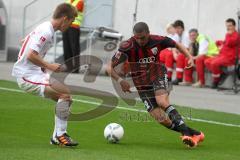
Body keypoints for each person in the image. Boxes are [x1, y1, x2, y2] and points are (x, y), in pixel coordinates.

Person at [107, 22, 204, 147]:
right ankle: (194, 134)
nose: (140, 41)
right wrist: (121, 81)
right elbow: (109, 68)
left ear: (148, 33)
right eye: (137, 38)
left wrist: (189, 56)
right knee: (161, 119)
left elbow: (177, 45)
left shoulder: (158, 40)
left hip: (157, 74)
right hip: (142, 84)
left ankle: (185, 133)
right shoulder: (127, 46)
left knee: (162, 101)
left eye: (142, 38)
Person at [12, 3, 79, 147]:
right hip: (27, 76)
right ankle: (60, 135)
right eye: (72, 21)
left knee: (66, 98)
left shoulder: (46, 28)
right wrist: (50, 66)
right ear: (65, 19)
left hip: (34, 73)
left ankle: (58, 136)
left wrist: (29, 42)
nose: (71, 24)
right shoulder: (46, 31)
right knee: (65, 94)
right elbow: (30, 55)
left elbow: (24, 41)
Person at [205, 18, 239, 88]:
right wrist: (219, 42)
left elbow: (230, 43)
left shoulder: (236, 35)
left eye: (229, 26)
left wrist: (228, 35)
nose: (228, 28)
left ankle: (216, 81)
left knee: (214, 63)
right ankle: (221, 73)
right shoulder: (229, 34)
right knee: (207, 61)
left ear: (234, 26)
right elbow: (226, 43)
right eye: (227, 26)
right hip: (222, 55)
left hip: (230, 57)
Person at [63, 0, 84, 73]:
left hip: (74, 27)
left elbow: (72, 13)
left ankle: (76, 68)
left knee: (74, 48)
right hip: (65, 26)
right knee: (66, 47)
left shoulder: (80, 2)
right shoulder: (67, 1)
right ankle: (69, 67)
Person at [172, 20, 191, 85]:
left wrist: (178, 51)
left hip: (190, 53)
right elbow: (173, 46)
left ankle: (179, 77)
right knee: (167, 54)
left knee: (180, 56)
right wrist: (174, 53)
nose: (176, 30)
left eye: (178, 28)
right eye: (175, 28)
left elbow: (186, 49)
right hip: (182, 52)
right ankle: (170, 77)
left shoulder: (186, 35)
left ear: (182, 28)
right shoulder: (177, 35)